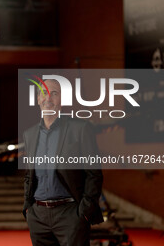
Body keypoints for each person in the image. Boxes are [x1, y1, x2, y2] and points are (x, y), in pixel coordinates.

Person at [23, 79, 104, 246]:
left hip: (70, 213)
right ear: (38, 99)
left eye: (54, 93)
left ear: (63, 99)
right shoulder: (29, 135)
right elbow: (29, 174)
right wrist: (28, 207)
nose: (48, 98)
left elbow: (94, 173)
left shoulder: (81, 128)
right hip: (38, 216)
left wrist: (84, 212)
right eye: (44, 93)